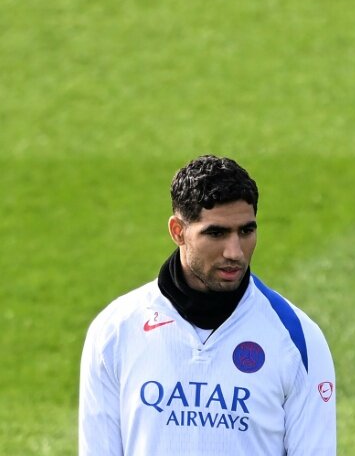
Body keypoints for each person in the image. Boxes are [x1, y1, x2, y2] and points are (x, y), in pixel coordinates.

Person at [79, 155, 336, 456]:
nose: (235, 252)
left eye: (246, 231)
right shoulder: (115, 330)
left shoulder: (299, 338)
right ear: (178, 231)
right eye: (216, 233)